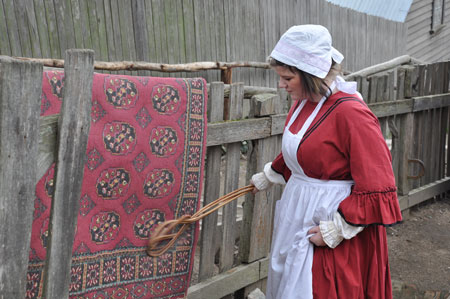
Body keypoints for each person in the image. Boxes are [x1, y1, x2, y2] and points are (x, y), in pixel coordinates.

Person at [250, 24, 402, 299]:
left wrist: (338, 228)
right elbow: (308, 148)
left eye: (286, 77)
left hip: (329, 213)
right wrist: (274, 172)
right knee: (287, 278)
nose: (280, 85)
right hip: (298, 206)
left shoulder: (352, 113)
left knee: (313, 287)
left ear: (310, 75)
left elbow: (378, 181)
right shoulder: (306, 100)